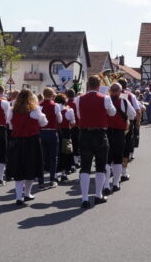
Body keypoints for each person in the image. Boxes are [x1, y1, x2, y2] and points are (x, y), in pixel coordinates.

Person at [76, 76, 115, 208]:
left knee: (85, 167)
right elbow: (112, 113)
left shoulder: (78, 98)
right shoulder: (105, 98)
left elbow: (80, 116)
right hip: (100, 135)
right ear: (99, 85)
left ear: (88, 85)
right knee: (100, 166)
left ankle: (84, 199)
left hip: (85, 134)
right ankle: (98, 195)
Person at [8, 89, 47, 205]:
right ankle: (27, 194)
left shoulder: (12, 110)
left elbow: (10, 126)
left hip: (18, 141)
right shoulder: (35, 111)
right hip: (31, 142)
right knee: (31, 167)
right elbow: (44, 123)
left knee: (19, 168)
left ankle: (19, 196)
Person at [105, 82, 136, 193]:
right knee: (118, 159)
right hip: (119, 133)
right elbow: (133, 115)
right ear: (120, 91)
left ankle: (105, 185)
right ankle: (116, 184)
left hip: (106, 132)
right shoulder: (124, 101)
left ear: (110, 91)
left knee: (107, 159)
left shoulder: (104, 100)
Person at [38, 87, 62, 188]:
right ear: (52, 95)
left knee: (41, 158)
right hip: (52, 133)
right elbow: (60, 120)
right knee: (53, 158)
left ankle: (41, 181)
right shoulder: (55, 105)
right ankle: (52, 180)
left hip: (41, 133)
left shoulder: (39, 105)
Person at [56, 93, 76, 181]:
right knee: (65, 153)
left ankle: (55, 174)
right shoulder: (69, 111)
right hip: (66, 132)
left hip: (56, 131)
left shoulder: (54, 109)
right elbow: (73, 123)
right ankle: (64, 174)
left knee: (56, 153)